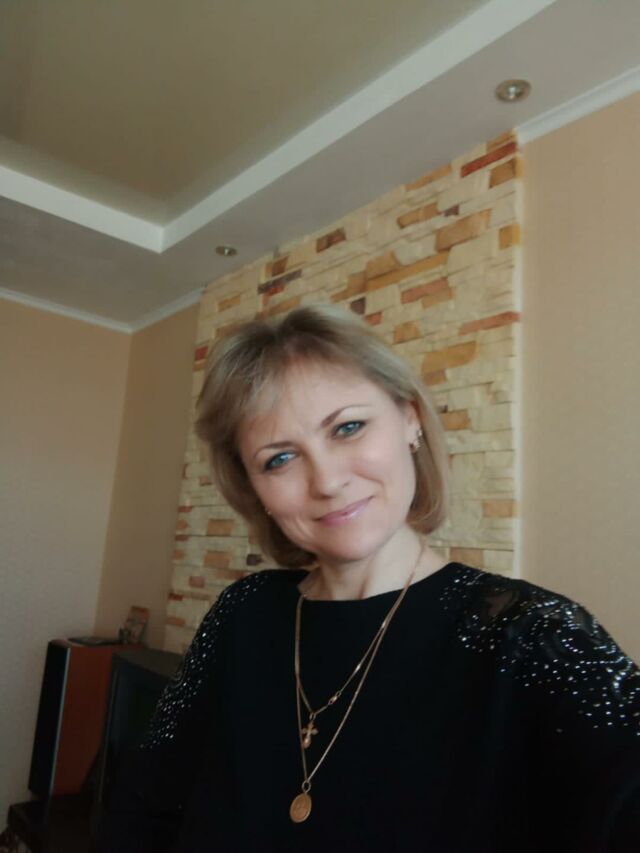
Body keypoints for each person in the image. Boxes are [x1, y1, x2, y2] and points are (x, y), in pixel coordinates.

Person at [98, 304, 640, 852]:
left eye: (348, 427)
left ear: (410, 419)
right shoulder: (242, 611)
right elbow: (144, 807)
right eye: (280, 459)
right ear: (254, 489)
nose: (327, 481)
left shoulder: (533, 635)